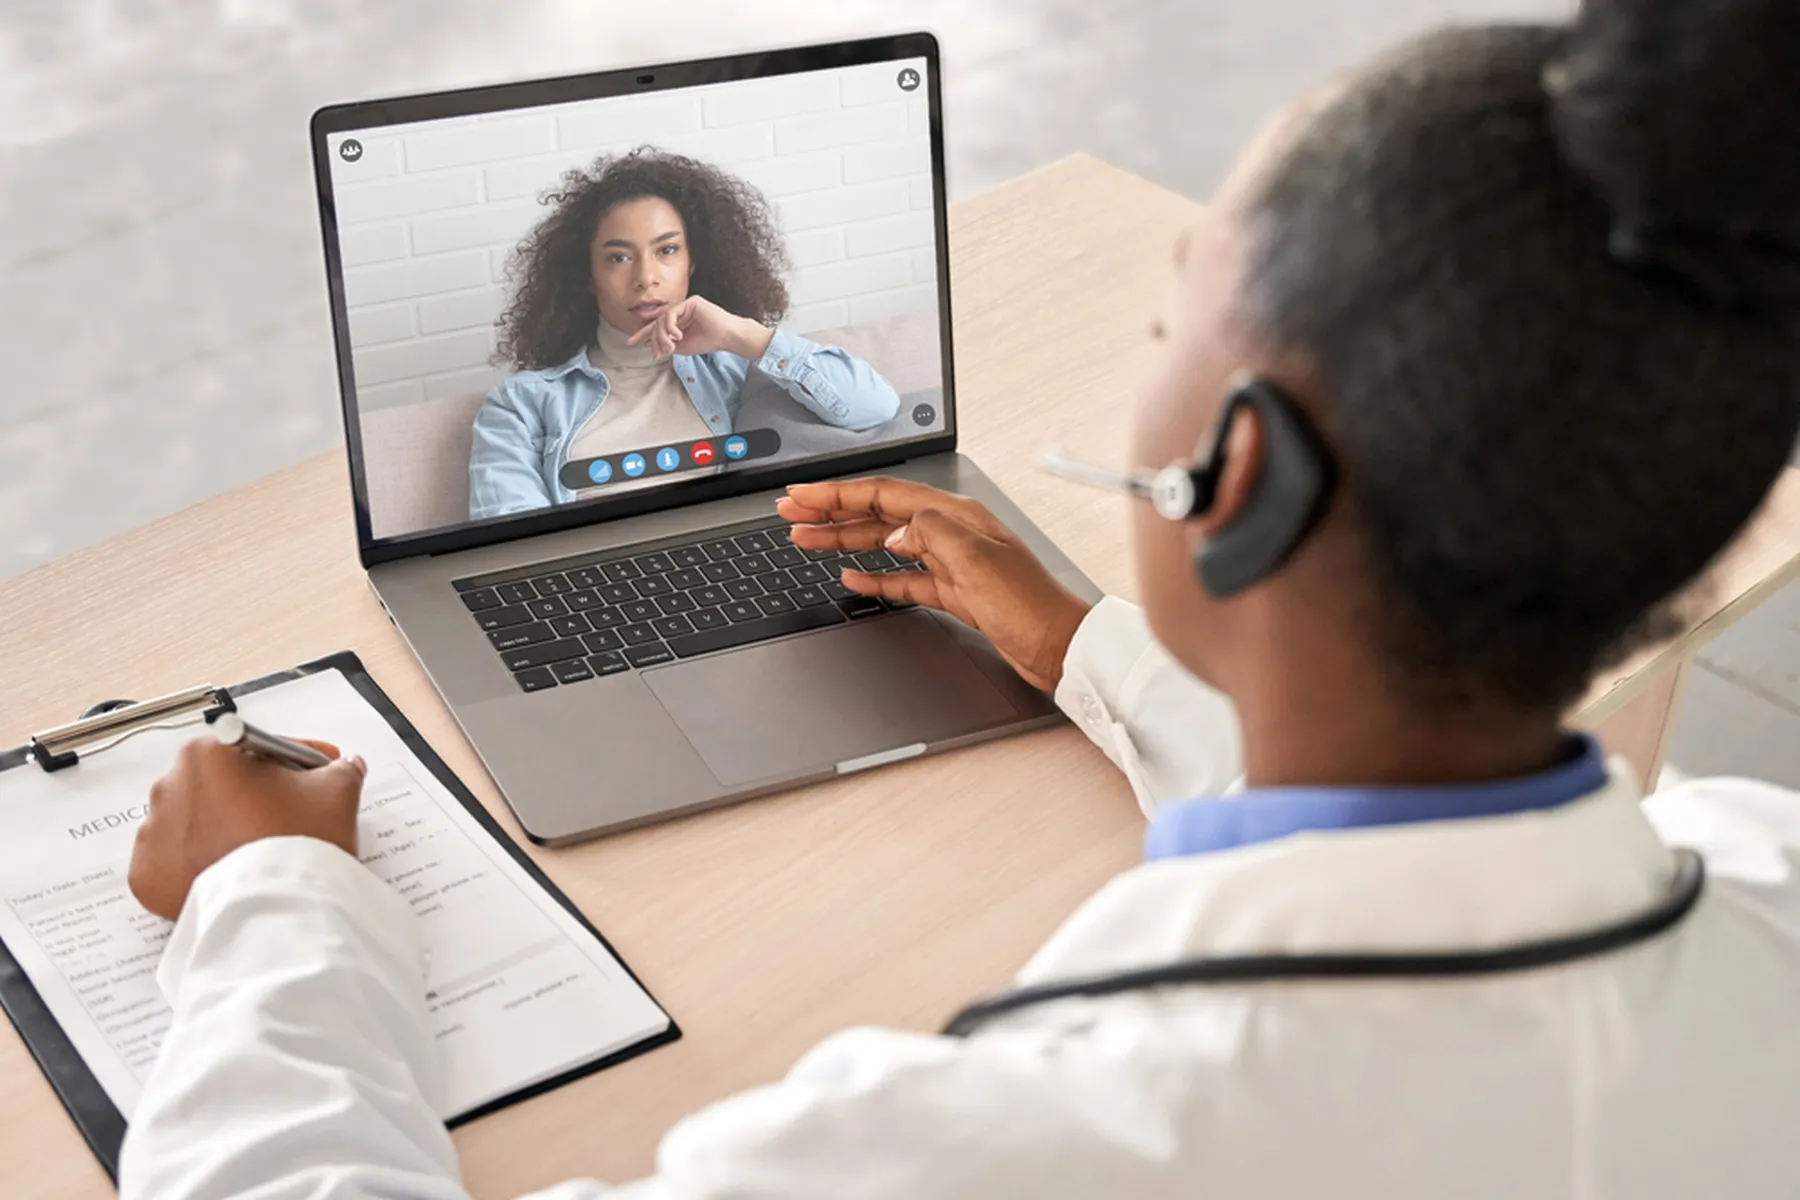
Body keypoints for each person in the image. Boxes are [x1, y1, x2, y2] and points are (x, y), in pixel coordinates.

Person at [122, 2, 1800, 1196]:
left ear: (1237, 481)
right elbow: (1403, 858)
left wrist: (273, 904)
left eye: (1166, 327)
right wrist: (1087, 647)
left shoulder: (994, 1143)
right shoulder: (1762, 881)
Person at [468, 148, 901, 520]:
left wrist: (744, 335)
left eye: (667, 250)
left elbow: (876, 408)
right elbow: (512, 546)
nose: (646, 277)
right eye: (619, 258)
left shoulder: (738, 365)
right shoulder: (520, 405)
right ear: (587, 277)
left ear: (694, 262)